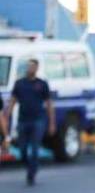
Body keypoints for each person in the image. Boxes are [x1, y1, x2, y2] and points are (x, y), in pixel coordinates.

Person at [1, 58, 55, 186]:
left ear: (37, 68)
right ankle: (30, 164)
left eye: (33, 66)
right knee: (22, 149)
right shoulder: (20, 83)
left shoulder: (42, 84)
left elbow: (49, 104)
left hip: (38, 120)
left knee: (35, 147)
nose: (30, 68)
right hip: (23, 120)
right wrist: (7, 116)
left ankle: (32, 172)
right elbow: (13, 101)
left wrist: (52, 123)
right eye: (29, 66)